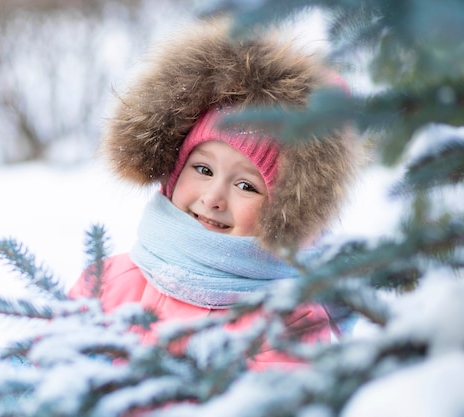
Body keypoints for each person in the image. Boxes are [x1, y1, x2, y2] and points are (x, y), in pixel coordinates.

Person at [69, 17, 360, 370]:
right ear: (175, 171)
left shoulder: (287, 323)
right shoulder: (110, 283)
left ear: (284, 210)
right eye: (203, 170)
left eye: (246, 186)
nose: (213, 198)